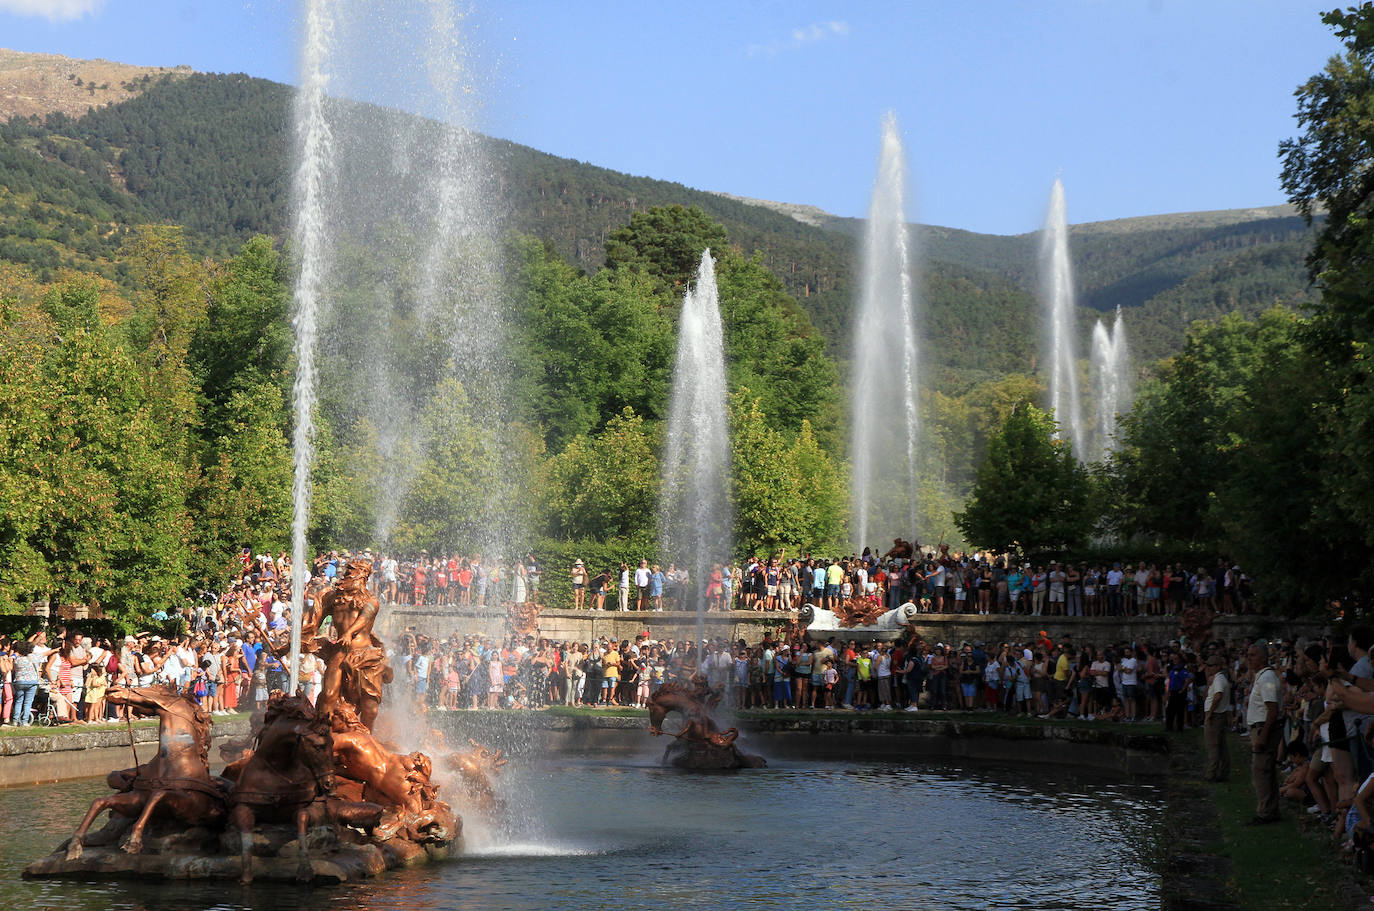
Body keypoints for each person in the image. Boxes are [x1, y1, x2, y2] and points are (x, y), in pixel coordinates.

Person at [1245, 640, 1282, 825]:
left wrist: (1263, 735)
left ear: (1263, 657)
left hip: (1263, 728)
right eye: (1248, 655)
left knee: (1261, 771)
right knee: (1265, 771)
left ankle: (1265, 813)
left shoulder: (1267, 678)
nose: (1248, 659)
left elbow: (1272, 710)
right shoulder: (1262, 676)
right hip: (1260, 727)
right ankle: (1270, 809)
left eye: (1252, 655)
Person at [1203, 654, 1231, 782]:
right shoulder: (1217, 679)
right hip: (1217, 714)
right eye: (1207, 665)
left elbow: (1218, 695)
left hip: (1215, 715)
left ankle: (1212, 774)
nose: (1208, 668)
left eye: (1211, 665)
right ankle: (1222, 772)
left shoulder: (1219, 679)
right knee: (1220, 745)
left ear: (1218, 666)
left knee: (1213, 745)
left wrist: (1210, 713)